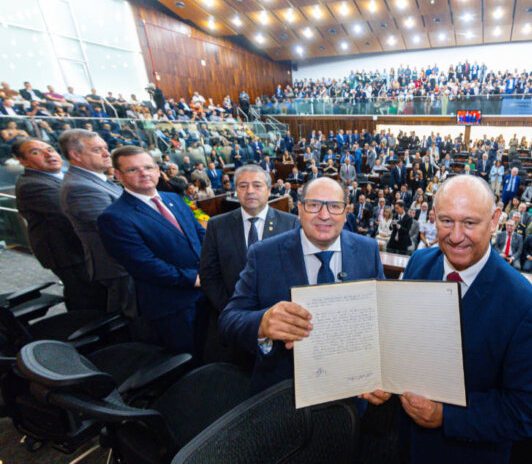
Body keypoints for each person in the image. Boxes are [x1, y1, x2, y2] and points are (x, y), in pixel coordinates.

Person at [360, 175, 532, 463]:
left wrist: (447, 416)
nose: (456, 235)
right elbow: (402, 337)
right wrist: (381, 376)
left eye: (470, 223)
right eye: (446, 221)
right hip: (403, 444)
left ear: (494, 220)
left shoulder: (526, 307)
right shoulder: (419, 263)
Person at [218, 177, 384, 394]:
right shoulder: (263, 254)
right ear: (299, 209)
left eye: (334, 206)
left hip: (353, 392)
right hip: (283, 395)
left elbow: (382, 320)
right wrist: (262, 324)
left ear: (346, 212)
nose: (324, 215)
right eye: (314, 205)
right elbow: (228, 322)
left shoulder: (368, 250)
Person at [97, 146, 207, 355]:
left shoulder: (175, 198)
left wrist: (210, 268)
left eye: (148, 167)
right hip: (172, 304)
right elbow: (144, 265)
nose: (144, 173)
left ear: (158, 170)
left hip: (206, 290)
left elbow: (199, 235)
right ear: (117, 175)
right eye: (133, 170)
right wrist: (194, 279)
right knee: (187, 358)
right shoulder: (114, 217)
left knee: (211, 347)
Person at [13, 138, 103, 310]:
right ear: (23, 161)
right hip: (69, 254)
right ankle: (88, 333)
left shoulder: (64, 174)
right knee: (87, 298)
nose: (49, 154)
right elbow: (72, 217)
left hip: (82, 249)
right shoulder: (33, 185)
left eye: (50, 149)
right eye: (36, 152)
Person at [200, 164, 299, 314]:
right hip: (233, 315)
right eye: (243, 186)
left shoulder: (291, 223)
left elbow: (297, 271)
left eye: (257, 185)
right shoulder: (217, 225)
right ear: (235, 191)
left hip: (279, 315)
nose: (250, 191)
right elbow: (208, 274)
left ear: (269, 190)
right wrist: (229, 310)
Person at [59, 129, 135, 315]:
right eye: (97, 149)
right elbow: (118, 228)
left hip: (126, 263)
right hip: (120, 266)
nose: (106, 153)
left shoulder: (94, 180)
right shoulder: (80, 187)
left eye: (105, 148)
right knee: (135, 320)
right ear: (75, 155)